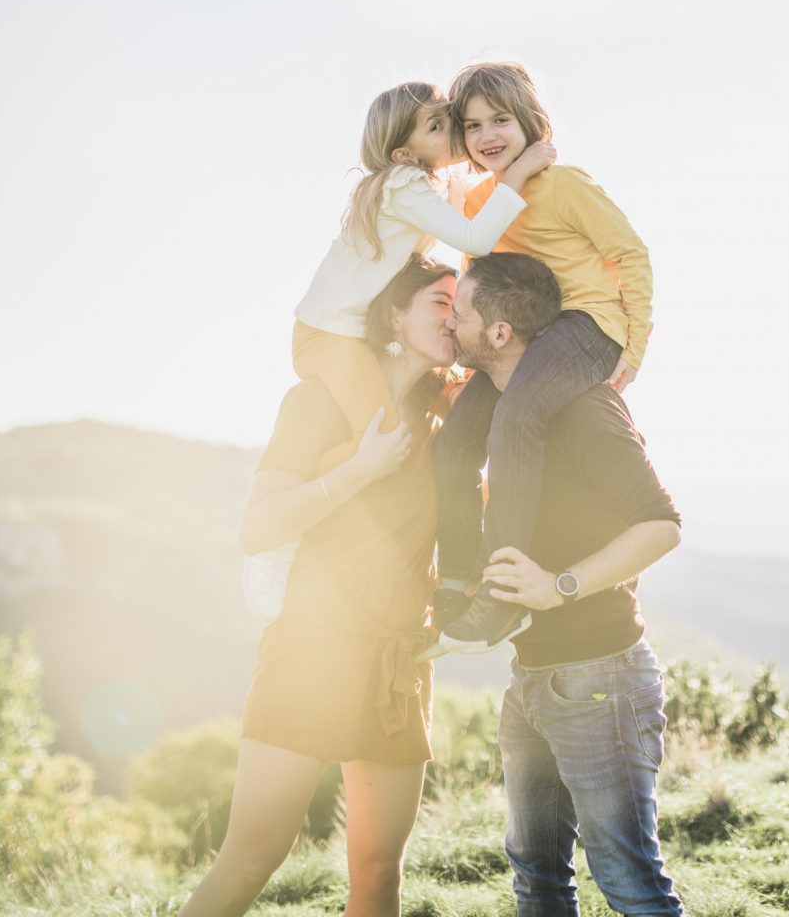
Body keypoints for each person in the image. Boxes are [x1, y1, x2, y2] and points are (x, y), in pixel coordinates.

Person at [178, 255, 458, 917]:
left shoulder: (446, 416)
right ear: (394, 314)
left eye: (461, 306)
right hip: (311, 652)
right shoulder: (317, 402)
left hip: (400, 662)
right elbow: (258, 527)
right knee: (251, 857)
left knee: (377, 869)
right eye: (439, 305)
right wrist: (360, 470)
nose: (455, 319)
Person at [435, 252, 684, 916]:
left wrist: (559, 585)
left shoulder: (583, 409)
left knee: (630, 882)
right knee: (537, 878)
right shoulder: (500, 413)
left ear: (497, 333)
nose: (447, 327)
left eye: (457, 313)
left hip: (599, 681)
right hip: (532, 678)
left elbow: (660, 526)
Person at [433, 61, 654, 652]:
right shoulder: (485, 200)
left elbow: (630, 254)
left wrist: (635, 343)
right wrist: (468, 360)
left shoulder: (567, 184)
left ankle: (502, 598)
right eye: (473, 125)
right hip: (528, 340)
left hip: (585, 323)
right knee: (454, 442)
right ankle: (457, 578)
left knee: (517, 419)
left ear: (529, 119)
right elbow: (473, 277)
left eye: (500, 119)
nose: (488, 136)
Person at [294, 80, 555, 471]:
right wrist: (521, 169)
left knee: (437, 409)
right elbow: (478, 237)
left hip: (361, 334)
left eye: (449, 119)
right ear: (403, 153)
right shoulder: (403, 184)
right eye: (434, 127)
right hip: (329, 336)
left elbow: (486, 199)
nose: (450, 130)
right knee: (383, 440)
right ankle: (299, 483)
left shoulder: (437, 182)